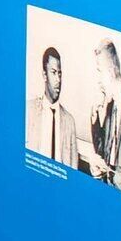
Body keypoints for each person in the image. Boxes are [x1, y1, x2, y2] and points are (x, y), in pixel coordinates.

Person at [88, 43, 121, 190]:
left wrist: (108, 172)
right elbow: (102, 151)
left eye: (99, 71)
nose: (98, 80)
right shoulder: (112, 106)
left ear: (110, 72)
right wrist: (95, 116)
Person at [37, 48, 83, 176]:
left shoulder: (69, 121)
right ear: (44, 75)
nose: (58, 79)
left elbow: (73, 171)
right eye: (53, 72)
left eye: (60, 74)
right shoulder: (29, 111)